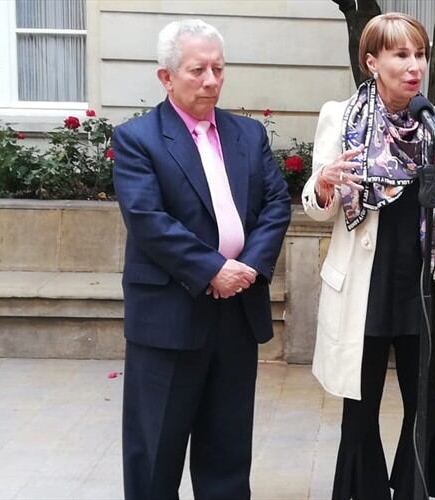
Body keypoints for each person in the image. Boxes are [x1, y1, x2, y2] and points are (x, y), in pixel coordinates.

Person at [301, 13, 435, 500]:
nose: (414, 65)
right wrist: (323, 184)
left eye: (419, 54)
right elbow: (318, 208)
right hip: (365, 290)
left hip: (424, 288)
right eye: (401, 55)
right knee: (360, 413)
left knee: (426, 413)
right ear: (372, 61)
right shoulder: (340, 117)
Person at [112, 19, 291, 499]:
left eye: (218, 68)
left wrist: (247, 268)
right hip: (169, 318)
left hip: (235, 314)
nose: (211, 80)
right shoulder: (137, 139)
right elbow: (148, 219)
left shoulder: (247, 135)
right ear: (166, 77)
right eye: (197, 70)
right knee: (155, 457)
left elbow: (276, 205)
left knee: (228, 454)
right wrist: (213, 269)